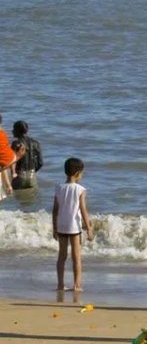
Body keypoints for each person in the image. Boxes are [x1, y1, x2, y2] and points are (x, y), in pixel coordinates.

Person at [52, 157, 94, 292]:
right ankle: (76, 285)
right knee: (76, 257)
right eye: (82, 172)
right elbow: (83, 210)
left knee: (62, 256)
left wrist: (54, 228)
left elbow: (55, 210)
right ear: (77, 173)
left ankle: (60, 284)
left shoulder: (59, 187)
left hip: (62, 226)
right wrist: (89, 229)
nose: (82, 175)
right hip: (74, 226)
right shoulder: (80, 189)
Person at [11, 120, 43, 191]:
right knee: (31, 200)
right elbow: (40, 163)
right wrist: (33, 172)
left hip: (19, 177)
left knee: (17, 200)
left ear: (18, 131)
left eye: (14, 129)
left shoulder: (15, 143)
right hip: (32, 177)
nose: (12, 131)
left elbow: (11, 161)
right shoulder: (36, 143)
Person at [0, 114, 26, 197]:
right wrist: (17, 157)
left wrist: (8, 185)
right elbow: (3, 164)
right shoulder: (2, 136)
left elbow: (2, 164)